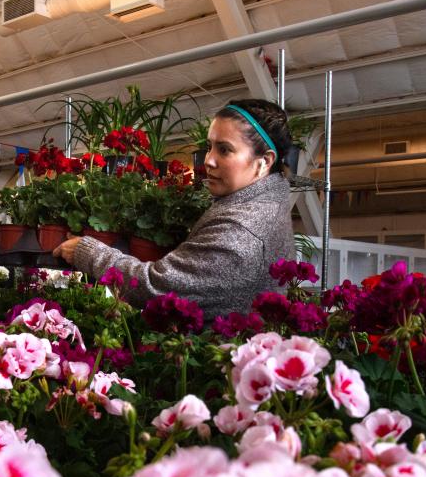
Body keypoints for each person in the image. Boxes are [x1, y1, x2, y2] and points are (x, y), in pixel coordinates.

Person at [52, 98, 296, 321]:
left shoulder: (242, 228)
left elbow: (157, 287)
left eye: (224, 150)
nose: (208, 160)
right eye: (209, 147)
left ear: (264, 162)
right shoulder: (263, 207)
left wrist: (89, 252)